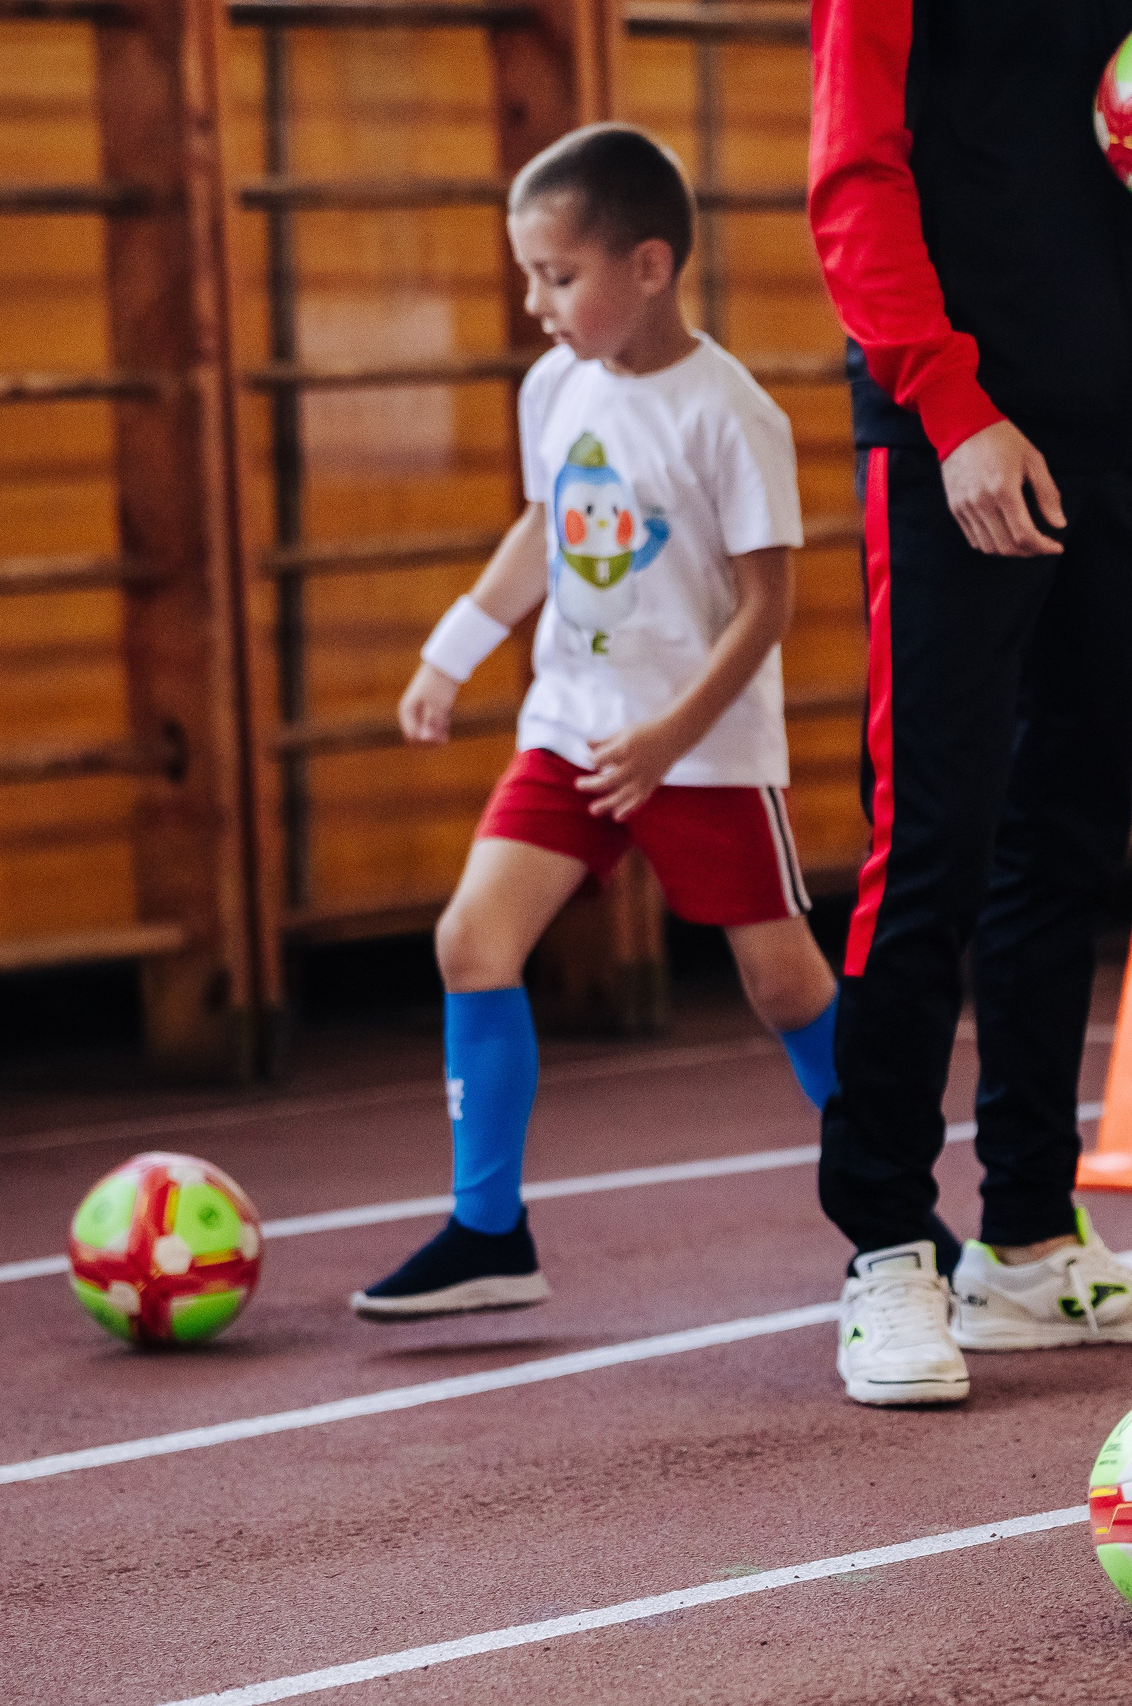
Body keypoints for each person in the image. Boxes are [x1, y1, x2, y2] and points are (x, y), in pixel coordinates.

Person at [806, 3, 1132, 1405]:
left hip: (1115, 423)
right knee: (931, 842)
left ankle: (1028, 1236)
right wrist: (951, 410)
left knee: (1070, 832)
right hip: (948, 437)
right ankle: (889, 1244)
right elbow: (855, 182)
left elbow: (1130, 152)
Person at [351, 124, 842, 1321]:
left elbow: (770, 602)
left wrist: (674, 736)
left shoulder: (732, 416)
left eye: (557, 277)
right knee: (473, 940)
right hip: (570, 724)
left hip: (702, 742)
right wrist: (451, 653)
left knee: (783, 983)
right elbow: (542, 528)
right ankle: (488, 1230)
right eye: (529, 276)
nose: (536, 304)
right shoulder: (554, 387)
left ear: (649, 266)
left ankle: (893, 1203)